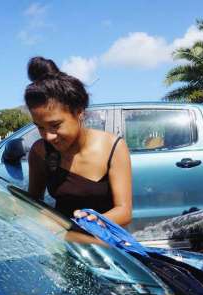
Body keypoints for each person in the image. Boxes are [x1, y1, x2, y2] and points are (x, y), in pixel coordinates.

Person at [25, 56, 132, 226]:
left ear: (79, 112)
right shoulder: (41, 152)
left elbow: (124, 212)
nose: (48, 136)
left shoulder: (113, 147)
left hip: (104, 244)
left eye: (55, 125)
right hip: (62, 245)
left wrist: (93, 224)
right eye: (40, 127)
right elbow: (32, 204)